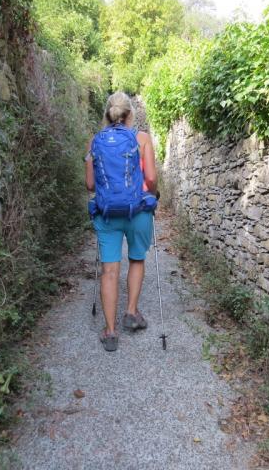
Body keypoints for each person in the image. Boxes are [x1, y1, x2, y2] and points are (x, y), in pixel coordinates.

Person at [85, 92, 158, 352]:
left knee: (109, 270)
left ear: (107, 113)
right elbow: (151, 178)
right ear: (130, 113)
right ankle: (131, 313)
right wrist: (152, 194)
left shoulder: (95, 141)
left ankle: (110, 331)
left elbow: (90, 184)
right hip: (138, 211)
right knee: (136, 259)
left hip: (107, 214)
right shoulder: (142, 139)